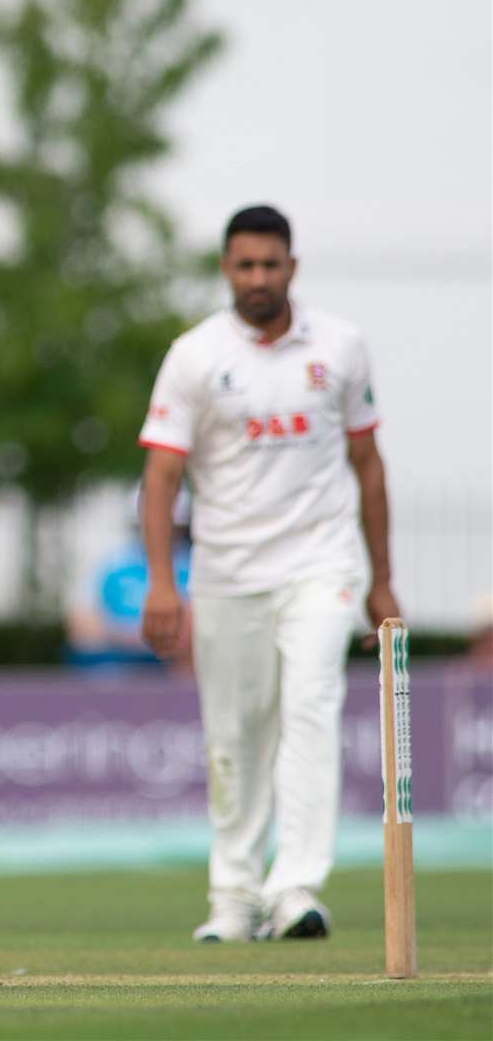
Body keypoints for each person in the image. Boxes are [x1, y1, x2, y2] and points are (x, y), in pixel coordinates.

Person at [139, 204, 400, 945]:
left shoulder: (341, 347)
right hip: (226, 572)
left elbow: (368, 467)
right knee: (234, 734)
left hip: (321, 566)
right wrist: (164, 582)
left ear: (291, 266)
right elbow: (160, 477)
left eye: (270, 265)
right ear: (226, 269)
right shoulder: (194, 355)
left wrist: (381, 578)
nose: (257, 278)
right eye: (244, 266)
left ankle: (295, 888)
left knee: (311, 710)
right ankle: (234, 895)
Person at [65, 485, 191, 672]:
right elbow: (81, 626)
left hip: (173, 665)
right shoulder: (110, 564)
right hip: (113, 663)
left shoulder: (196, 565)